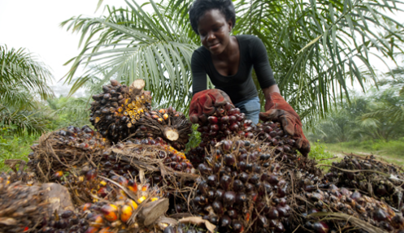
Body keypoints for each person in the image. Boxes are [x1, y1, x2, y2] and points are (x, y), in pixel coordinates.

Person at [188, 0, 310, 156]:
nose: (210, 37)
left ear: (230, 24)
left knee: (248, 149)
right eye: (203, 33)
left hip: (249, 103)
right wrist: (203, 101)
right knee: (224, 152)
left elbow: (268, 86)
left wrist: (278, 104)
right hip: (222, 110)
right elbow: (199, 95)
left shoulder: (252, 45)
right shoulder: (199, 57)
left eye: (216, 28)